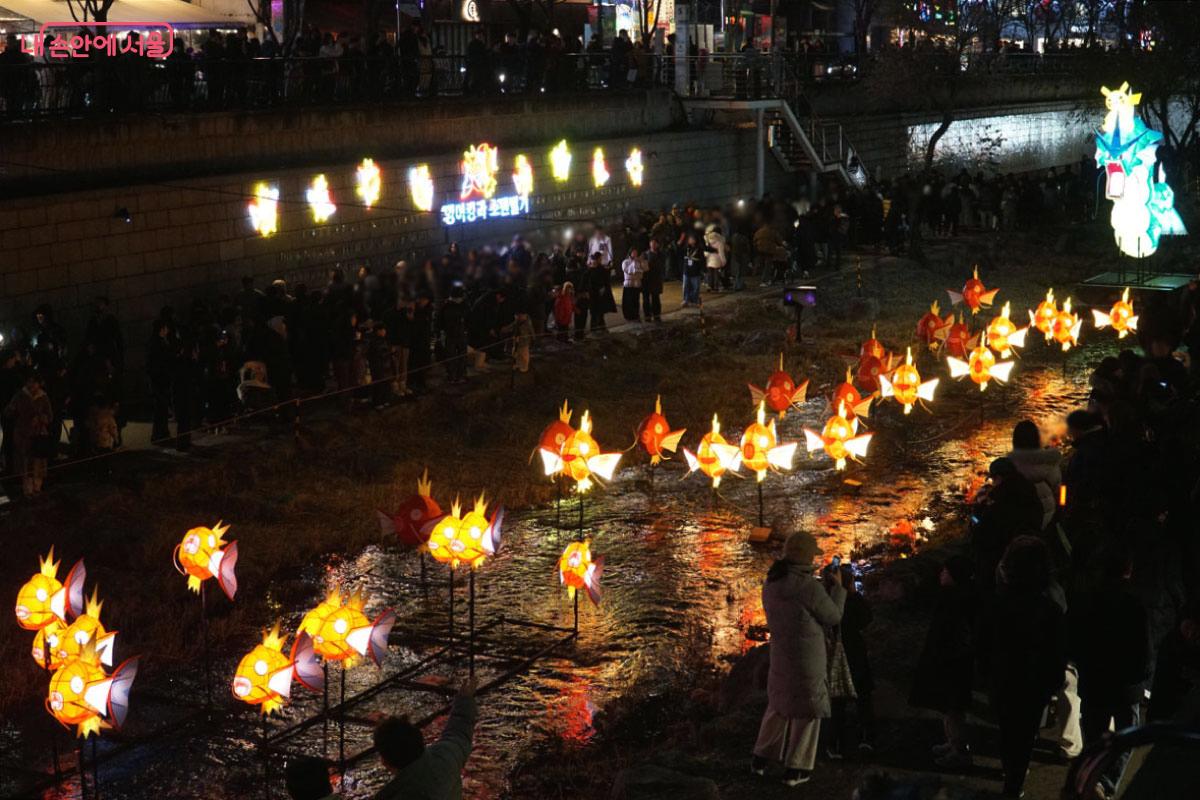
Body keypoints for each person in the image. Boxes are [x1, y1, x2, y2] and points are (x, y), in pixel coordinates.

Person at [751, 530, 846, 786]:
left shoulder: (772, 581)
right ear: (805, 558)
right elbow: (833, 616)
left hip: (781, 653)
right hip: (807, 658)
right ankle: (797, 768)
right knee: (808, 709)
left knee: (779, 704)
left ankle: (761, 758)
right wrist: (838, 589)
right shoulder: (807, 587)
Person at [981, 536, 1066, 798]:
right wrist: (1054, 679)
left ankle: (1011, 776)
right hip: (1035, 683)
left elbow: (984, 645)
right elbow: (1057, 648)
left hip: (1005, 680)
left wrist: (985, 674)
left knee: (1008, 730)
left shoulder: (998, 604)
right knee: (1026, 733)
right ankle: (1015, 781)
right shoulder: (1050, 605)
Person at [909, 555, 976, 769]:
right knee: (949, 709)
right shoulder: (951, 596)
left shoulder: (957, 600)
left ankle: (960, 751)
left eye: (945, 571)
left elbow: (957, 634)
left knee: (954, 709)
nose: (941, 574)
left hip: (953, 664)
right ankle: (952, 743)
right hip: (948, 661)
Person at [373, 677, 477, 800]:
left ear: (385, 762)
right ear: (419, 740)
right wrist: (464, 698)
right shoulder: (446, 758)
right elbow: (459, 731)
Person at [828, 563, 876, 756]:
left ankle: (835, 742)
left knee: (837, 700)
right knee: (863, 695)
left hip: (835, 652)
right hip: (855, 649)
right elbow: (866, 619)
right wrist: (855, 595)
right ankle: (866, 736)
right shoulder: (853, 600)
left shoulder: (826, 601)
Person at [3, 371, 53, 498]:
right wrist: (13, 411)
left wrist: (42, 418)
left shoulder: (43, 397)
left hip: (38, 434)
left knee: (38, 461)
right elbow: (8, 412)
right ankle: (27, 489)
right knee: (25, 461)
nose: (32, 385)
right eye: (29, 382)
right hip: (23, 434)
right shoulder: (20, 395)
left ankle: (37, 487)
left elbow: (50, 416)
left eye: (34, 382)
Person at [1005, 419, 1062, 531]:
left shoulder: (1010, 467)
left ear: (1015, 441)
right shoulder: (1050, 463)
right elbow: (1060, 492)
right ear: (1037, 439)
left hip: (1021, 523)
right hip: (1049, 522)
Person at [642, 239, 665, 323]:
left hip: (656, 279)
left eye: (655, 243)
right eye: (652, 243)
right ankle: (647, 316)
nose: (653, 245)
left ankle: (657, 316)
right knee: (646, 299)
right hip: (646, 279)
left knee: (656, 299)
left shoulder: (660, 254)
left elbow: (662, 265)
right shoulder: (645, 254)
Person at [620, 248, 645, 322]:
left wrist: (638, 267)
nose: (635, 254)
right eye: (633, 252)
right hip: (628, 284)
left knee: (635, 301)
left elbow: (641, 272)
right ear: (630, 253)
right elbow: (627, 270)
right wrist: (634, 263)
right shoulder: (625, 262)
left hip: (636, 284)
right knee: (628, 301)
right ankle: (628, 316)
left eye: (636, 252)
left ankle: (636, 315)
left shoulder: (638, 262)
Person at [682, 234, 704, 308]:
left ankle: (694, 301)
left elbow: (702, 260)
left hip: (695, 271)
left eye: (692, 239)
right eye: (689, 239)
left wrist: (701, 269)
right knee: (686, 287)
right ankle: (686, 300)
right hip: (687, 270)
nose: (690, 240)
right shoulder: (686, 248)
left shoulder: (699, 249)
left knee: (695, 287)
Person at [703, 223, 727, 292]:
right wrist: (723, 261)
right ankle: (716, 286)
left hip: (709, 260)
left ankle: (710, 286)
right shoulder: (720, 241)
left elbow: (706, 251)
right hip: (717, 260)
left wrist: (706, 256)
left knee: (710, 273)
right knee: (716, 274)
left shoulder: (708, 240)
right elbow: (721, 253)